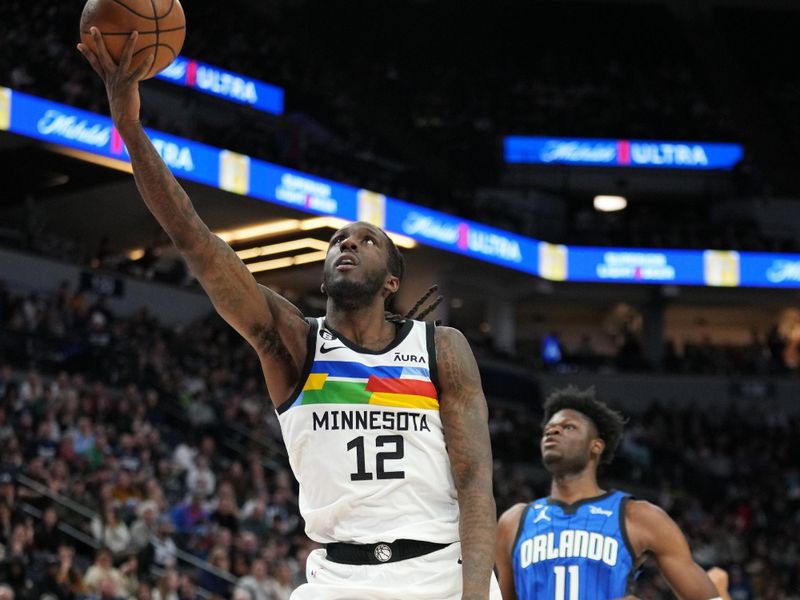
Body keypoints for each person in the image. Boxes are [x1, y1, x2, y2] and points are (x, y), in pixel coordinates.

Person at [77, 31, 498, 600]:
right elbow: (195, 240)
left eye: (365, 240)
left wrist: (475, 593)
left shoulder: (440, 347)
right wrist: (130, 129)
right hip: (339, 582)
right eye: (337, 240)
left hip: (442, 574)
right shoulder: (294, 344)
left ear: (393, 280)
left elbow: (474, 483)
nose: (345, 244)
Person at [495, 387, 729, 600]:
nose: (553, 430)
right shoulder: (513, 522)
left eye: (568, 427)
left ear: (596, 446)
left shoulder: (639, 517)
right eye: (549, 428)